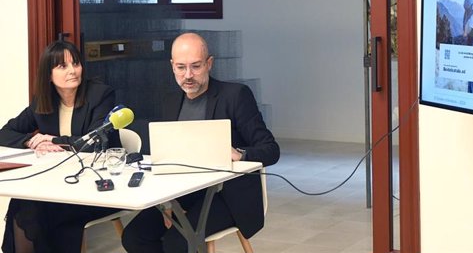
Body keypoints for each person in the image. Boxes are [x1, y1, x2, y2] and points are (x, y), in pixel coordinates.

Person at [122, 32, 280, 252]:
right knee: (134, 236)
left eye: (196, 66)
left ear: (209, 64)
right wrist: (167, 204)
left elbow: (271, 150)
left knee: (178, 241)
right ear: (172, 66)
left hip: (227, 197)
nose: (188, 75)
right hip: (182, 195)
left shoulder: (235, 96)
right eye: (180, 67)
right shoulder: (170, 100)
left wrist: (241, 154)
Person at [0, 40, 119, 253]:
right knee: (24, 202)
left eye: (76, 63)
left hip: (96, 188)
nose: (72, 71)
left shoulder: (100, 95)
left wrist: (53, 140)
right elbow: (5, 133)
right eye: (62, 66)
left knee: (37, 208)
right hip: (59, 184)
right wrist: (29, 141)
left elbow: (95, 143)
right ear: (49, 74)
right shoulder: (43, 102)